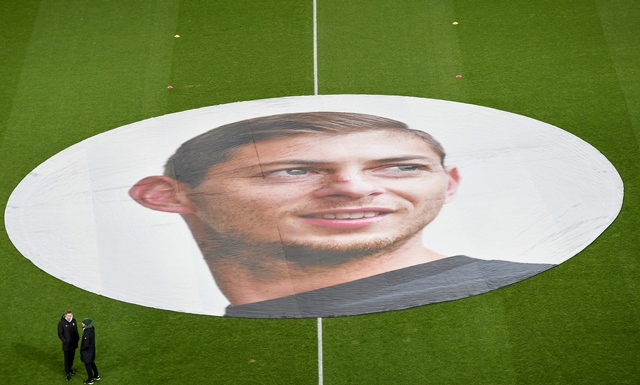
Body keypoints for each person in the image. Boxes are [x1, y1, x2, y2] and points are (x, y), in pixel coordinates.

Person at [130, 112, 553, 318]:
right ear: (166, 196)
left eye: (402, 167)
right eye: (292, 171)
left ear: (450, 183)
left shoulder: (523, 296)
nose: (355, 187)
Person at [57, 309, 79, 381]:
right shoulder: (61, 323)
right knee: (67, 359)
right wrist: (65, 341)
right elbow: (60, 334)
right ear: (65, 315)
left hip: (73, 344)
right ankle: (67, 373)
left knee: (72, 358)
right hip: (66, 345)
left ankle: (70, 369)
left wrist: (77, 338)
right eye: (68, 316)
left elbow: (76, 330)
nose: (69, 317)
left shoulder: (74, 321)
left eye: (70, 315)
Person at [80, 318, 100, 385]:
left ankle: (90, 380)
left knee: (88, 365)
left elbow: (86, 344)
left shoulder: (87, 333)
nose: (81, 324)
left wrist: (82, 349)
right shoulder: (91, 329)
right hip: (91, 351)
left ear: (86, 324)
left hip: (87, 352)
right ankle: (96, 375)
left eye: (83, 323)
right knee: (92, 363)